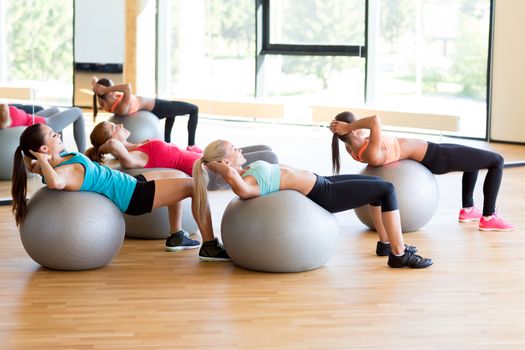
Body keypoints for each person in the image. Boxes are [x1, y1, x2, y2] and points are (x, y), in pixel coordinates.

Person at [191, 139, 433, 269]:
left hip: (322, 181)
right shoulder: (243, 182)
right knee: (387, 189)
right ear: (225, 161)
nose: (240, 148)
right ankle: (398, 254)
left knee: (377, 186)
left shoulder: (245, 171)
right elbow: (243, 192)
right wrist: (227, 172)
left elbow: (241, 176)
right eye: (235, 149)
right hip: (323, 194)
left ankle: (385, 244)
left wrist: (232, 168)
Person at [11, 123, 230, 261]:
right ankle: (209, 246)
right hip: (132, 196)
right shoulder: (64, 171)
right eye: (52, 135)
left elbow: (36, 167)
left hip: (130, 183)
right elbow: (56, 183)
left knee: (177, 177)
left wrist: (38, 161)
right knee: (193, 186)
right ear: (44, 149)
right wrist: (41, 160)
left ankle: (176, 235)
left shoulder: (59, 159)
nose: (58, 134)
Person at [329, 111, 515, 231]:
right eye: (356, 125)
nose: (360, 126)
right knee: (497, 161)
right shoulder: (371, 151)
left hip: (433, 149)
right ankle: (489, 217)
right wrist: (349, 126)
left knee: (473, 158)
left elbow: (358, 130)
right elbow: (375, 120)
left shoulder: (351, 148)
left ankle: (468, 210)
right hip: (435, 157)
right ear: (351, 131)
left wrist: (344, 128)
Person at [85, 120, 279, 188]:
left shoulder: (138, 147)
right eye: (113, 127)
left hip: (209, 157)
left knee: (266, 149)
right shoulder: (134, 156)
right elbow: (114, 148)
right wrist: (103, 147)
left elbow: (113, 142)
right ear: (111, 141)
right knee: (269, 158)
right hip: (211, 171)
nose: (120, 124)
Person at [92, 77, 201, 150]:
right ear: (108, 92)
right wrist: (107, 89)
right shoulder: (121, 107)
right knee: (194, 109)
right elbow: (127, 87)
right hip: (156, 107)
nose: (115, 90)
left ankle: (168, 143)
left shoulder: (105, 104)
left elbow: (94, 80)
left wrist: (98, 87)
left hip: (153, 107)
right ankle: (191, 146)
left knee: (171, 113)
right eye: (112, 88)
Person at [0, 103, 86, 152]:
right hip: (39, 127)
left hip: (30, 118)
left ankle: (60, 152)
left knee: (55, 110)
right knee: (78, 111)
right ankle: (85, 155)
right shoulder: (3, 118)